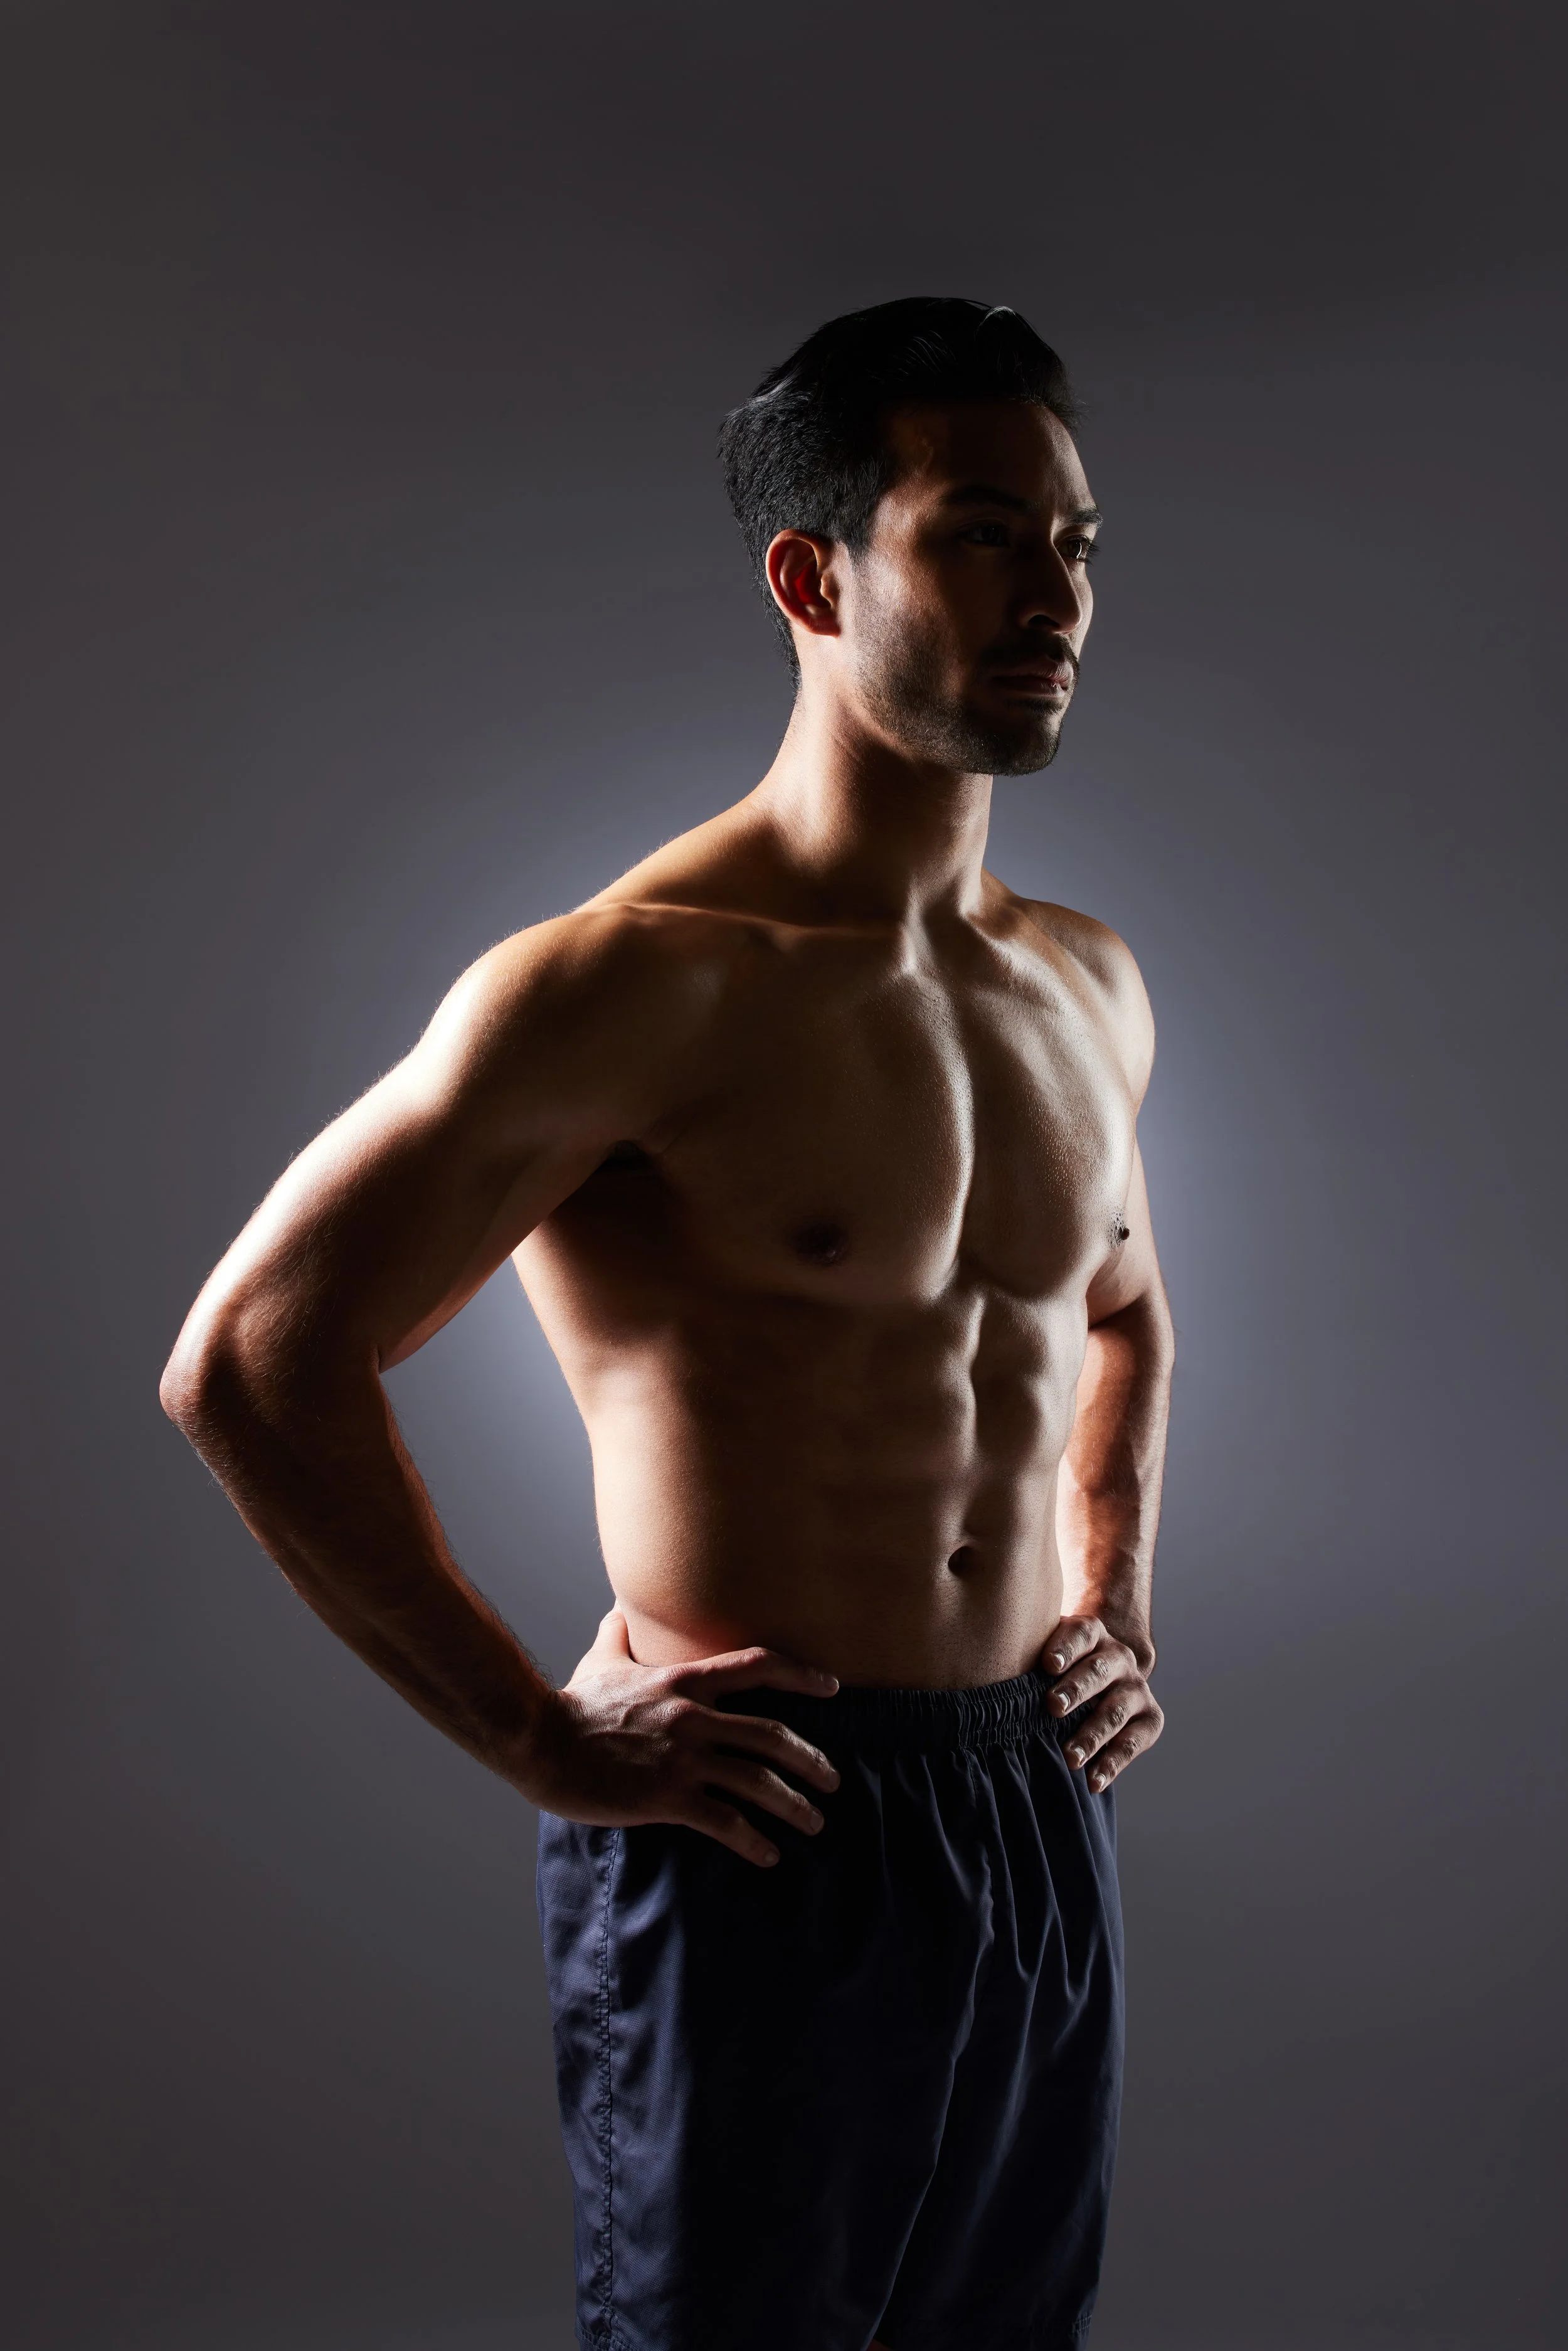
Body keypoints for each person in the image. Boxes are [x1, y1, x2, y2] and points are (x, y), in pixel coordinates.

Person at [161, 296, 1173, 2351]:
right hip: (763, 1807)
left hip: (1023, 1808)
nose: (1051, 591)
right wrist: (538, 1734)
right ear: (816, 575)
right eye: (980, 533)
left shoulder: (1080, 983)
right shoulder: (633, 983)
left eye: (1071, 542)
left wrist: (1113, 1588)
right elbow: (256, 1356)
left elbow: (1124, 1312)